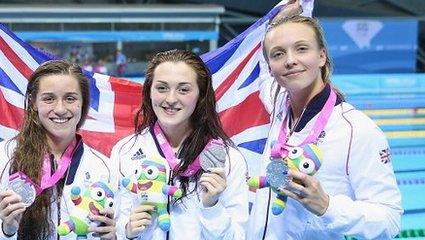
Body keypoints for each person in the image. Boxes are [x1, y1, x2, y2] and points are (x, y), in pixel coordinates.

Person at [246, 15, 403, 239]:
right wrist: (277, 19)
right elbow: (263, 76)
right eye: (278, 54)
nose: (290, 60)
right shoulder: (279, 107)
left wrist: (328, 207)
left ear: (322, 56)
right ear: (271, 67)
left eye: (301, 49)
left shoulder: (356, 130)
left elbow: (389, 219)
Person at [0, 60, 118, 239]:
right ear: (34, 102)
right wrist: (6, 229)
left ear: (83, 103)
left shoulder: (103, 167)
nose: (60, 109)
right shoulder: (1, 157)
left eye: (70, 98)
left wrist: (112, 237)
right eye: (49, 98)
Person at [113, 49, 248, 240]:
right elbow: (114, 227)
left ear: (200, 95)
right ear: (149, 92)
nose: (171, 99)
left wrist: (212, 207)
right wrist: (126, 232)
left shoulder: (228, 159)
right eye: (162, 88)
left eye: (184, 89)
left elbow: (238, 237)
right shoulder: (125, 151)